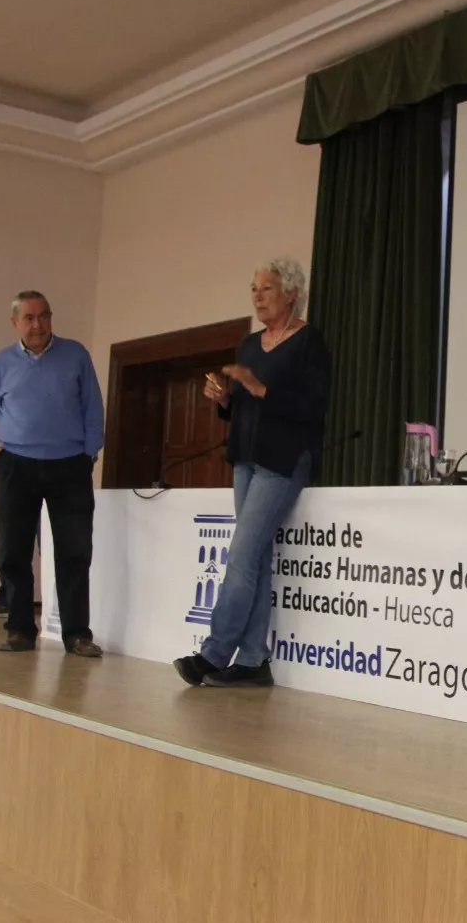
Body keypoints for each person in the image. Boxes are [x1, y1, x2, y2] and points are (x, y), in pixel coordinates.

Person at [174, 258, 331, 688]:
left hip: (283, 461)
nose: (257, 296)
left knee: (240, 558)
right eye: (254, 289)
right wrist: (224, 398)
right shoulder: (248, 345)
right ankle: (253, 660)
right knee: (256, 559)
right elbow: (241, 408)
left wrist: (263, 389)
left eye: (266, 288)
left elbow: (316, 409)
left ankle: (214, 653)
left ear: (292, 293)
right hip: (245, 456)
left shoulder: (308, 342)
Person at [0, 290, 105, 657]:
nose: (38, 324)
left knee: (74, 552)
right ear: (15, 323)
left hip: (70, 465)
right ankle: (19, 630)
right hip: (16, 465)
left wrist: (89, 453)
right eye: (29, 318)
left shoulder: (75, 355)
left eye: (44, 316)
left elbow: (94, 407)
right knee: (12, 550)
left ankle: (77, 634)